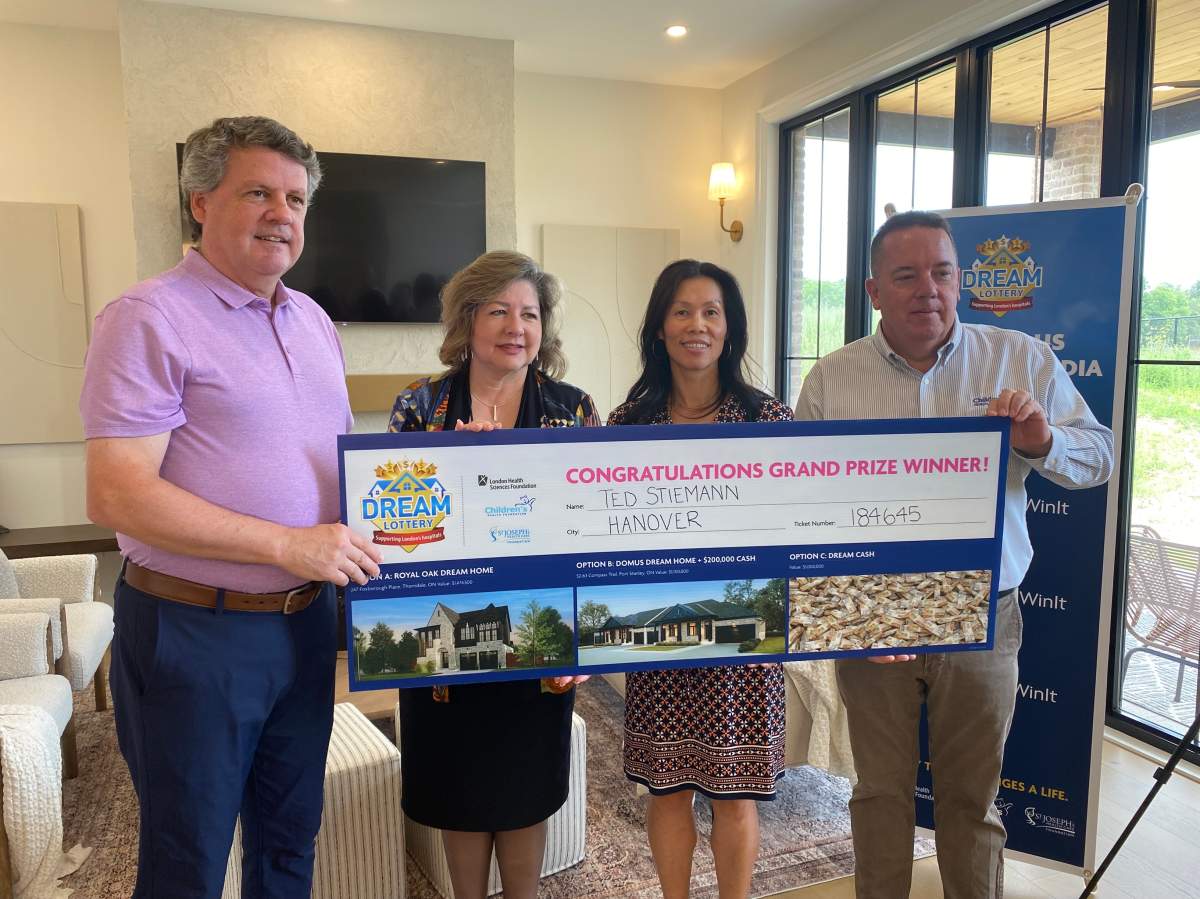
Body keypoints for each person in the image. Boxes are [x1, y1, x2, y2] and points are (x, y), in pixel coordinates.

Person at [79, 116, 383, 899]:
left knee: (290, 842)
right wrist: (288, 543)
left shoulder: (313, 320)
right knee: (189, 857)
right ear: (200, 201)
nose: (283, 212)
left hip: (304, 626)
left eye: (295, 197)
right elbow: (117, 492)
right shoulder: (147, 316)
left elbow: (339, 474)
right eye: (258, 191)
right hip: (195, 631)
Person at [794, 210, 1113, 899]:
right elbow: (801, 504)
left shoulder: (1019, 358)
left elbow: (1100, 457)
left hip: (984, 615)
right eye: (905, 275)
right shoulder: (831, 380)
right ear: (874, 289)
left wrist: (1039, 440)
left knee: (972, 800)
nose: (927, 290)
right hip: (871, 615)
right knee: (879, 793)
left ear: (960, 280)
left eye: (941, 272)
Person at [388, 250, 597, 899]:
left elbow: (592, 530)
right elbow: (393, 531)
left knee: (522, 786)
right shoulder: (421, 406)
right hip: (441, 634)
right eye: (500, 310)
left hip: (539, 634)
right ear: (469, 319)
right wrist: (449, 474)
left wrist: (585, 638)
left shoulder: (572, 408)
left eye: (529, 313)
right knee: (460, 785)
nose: (516, 325)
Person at [607, 259, 790, 899]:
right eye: (682, 311)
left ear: (730, 328)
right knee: (669, 786)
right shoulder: (626, 424)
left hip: (744, 639)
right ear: (660, 327)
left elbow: (793, 528)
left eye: (712, 311)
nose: (697, 325)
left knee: (738, 795)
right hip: (661, 633)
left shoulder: (769, 420)